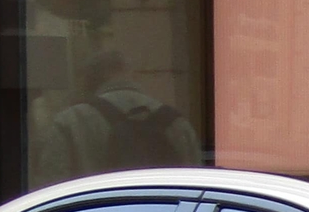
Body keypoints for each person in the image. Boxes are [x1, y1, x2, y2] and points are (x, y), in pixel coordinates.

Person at [33, 49, 204, 185]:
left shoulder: (70, 121)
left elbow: (52, 184)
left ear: (89, 79)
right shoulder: (176, 122)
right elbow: (195, 182)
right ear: (133, 76)